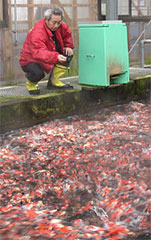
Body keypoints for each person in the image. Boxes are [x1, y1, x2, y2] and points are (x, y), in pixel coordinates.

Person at [19, 6, 74, 95]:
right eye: (54, 22)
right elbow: (38, 51)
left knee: (68, 53)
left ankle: (54, 81)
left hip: (50, 54)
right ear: (46, 20)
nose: (56, 25)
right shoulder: (38, 32)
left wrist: (68, 46)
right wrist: (56, 57)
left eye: (59, 22)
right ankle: (31, 83)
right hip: (31, 59)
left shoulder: (62, 26)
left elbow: (67, 34)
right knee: (38, 73)